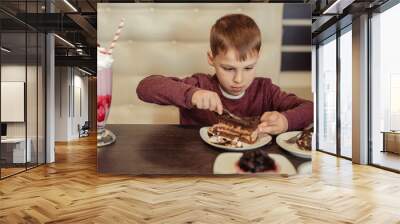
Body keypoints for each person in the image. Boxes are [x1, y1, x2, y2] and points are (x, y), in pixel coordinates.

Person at [136, 13, 313, 135]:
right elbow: (145, 87)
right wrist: (192, 94)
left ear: (258, 58)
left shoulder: (266, 90)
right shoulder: (199, 85)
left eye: (248, 68)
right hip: (197, 165)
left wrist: (286, 121)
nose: (239, 79)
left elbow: (312, 108)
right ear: (211, 59)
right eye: (228, 68)